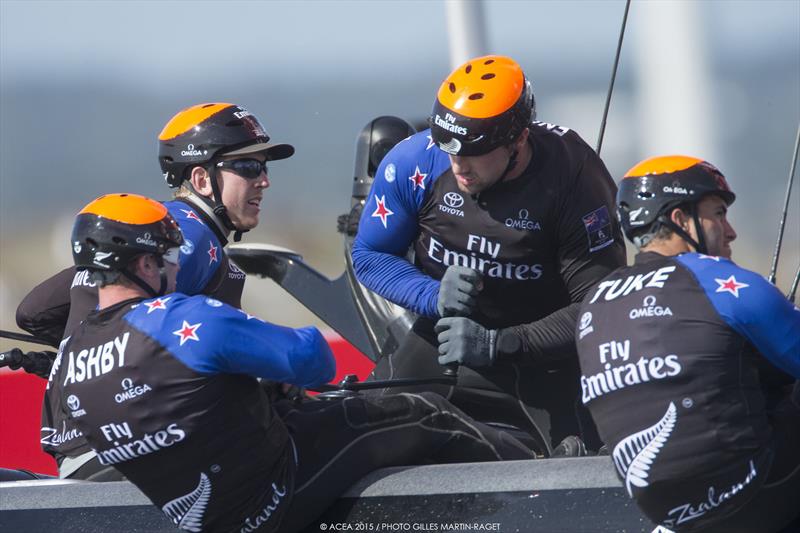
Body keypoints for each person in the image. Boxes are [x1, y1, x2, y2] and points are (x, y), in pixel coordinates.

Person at [55, 193, 534, 532]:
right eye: (169, 254)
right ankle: (537, 486)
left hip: (209, 515)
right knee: (426, 411)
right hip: (280, 489)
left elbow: (175, 413)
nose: (178, 265)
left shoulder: (71, 360)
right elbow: (314, 359)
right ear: (143, 265)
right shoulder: (180, 318)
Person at [351, 55, 626, 453]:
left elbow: (601, 307)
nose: (458, 164)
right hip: (443, 337)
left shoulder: (576, 180)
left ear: (518, 140)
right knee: (361, 439)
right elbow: (370, 255)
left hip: (546, 356)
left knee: (575, 472)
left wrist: (502, 343)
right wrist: (431, 295)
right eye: (448, 146)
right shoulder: (414, 162)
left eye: (472, 150)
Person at [16, 102, 293, 479]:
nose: (264, 180)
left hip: (81, 450)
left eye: (264, 166)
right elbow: (140, 346)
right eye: (248, 167)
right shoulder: (190, 239)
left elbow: (32, 312)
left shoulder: (135, 236)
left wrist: (76, 357)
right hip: (127, 454)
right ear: (200, 179)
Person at [575, 155, 800, 532]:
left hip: (663, 512)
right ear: (680, 220)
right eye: (718, 213)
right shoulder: (718, 280)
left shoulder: (594, 300)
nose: (731, 232)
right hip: (757, 494)